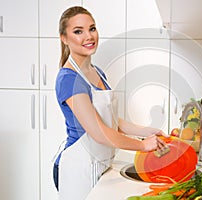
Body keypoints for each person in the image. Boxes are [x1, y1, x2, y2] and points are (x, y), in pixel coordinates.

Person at [53, 6, 168, 200]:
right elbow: (99, 131)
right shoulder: (69, 79)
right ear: (64, 38)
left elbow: (109, 119)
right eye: (78, 31)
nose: (89, 36)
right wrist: (142, 146)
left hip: (100, 165)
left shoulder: (98, 73)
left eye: (92, 28)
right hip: (78, 170)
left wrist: (145, 131)